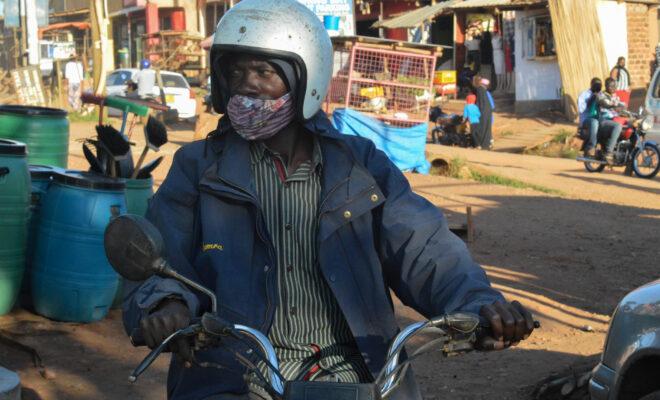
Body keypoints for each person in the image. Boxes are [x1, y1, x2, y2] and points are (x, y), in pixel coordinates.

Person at [122, 1, 536, 399]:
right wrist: (167, 304)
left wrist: (478, 304)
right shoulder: (199, 168)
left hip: (359, 375)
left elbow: (424, 247)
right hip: (234, 373)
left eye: (264, 71)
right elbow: (162, 257)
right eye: (235, 71)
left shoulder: (360, 165)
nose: (246, 84)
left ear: (308, 79)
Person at [597, 78, 625, 164]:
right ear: (606, 86)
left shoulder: (615, 96)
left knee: (632, 125)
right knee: (618, 126)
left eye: (615, 86)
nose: (613, 88)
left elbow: (622, 105)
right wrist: (614, 106)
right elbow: (605, 103)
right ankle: (609, 152)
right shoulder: (601, 95)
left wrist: (623, 109)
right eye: (611, 86)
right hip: (604, 120)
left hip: (614, 120)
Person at [577, 78, 602, 157]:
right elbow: (581, 109)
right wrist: (591, 99)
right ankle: (591, 147)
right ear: (591, 85)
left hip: (598, 118)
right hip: (586, 120)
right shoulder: (584, 95)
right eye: (596, 85)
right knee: (594, 122)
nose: (597, 87)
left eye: (599, 85)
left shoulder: (602, 94)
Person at [470, 75, 494, 149]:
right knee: (487, 127)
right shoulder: (483, 89)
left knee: (478, 127)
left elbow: (479, 103)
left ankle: (479, 144)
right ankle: (487, 143)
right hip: (487, 110)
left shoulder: (479, 90)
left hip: (483, 111)